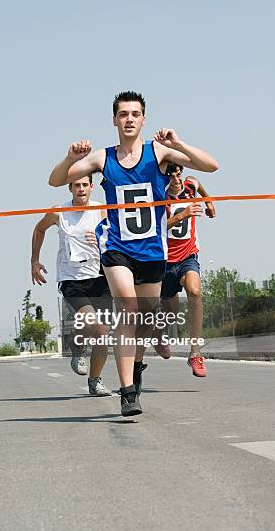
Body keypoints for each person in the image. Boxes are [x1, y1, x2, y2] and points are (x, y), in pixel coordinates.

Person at [49, 91, 218, 416]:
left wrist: (179, 144)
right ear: (115, 120)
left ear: (142, 119)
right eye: (123, 113)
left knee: (142, 317)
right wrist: (70, 158)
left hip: (152, 250)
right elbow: (55, 180)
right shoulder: (103, 158)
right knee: (128, 307)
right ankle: (127, 391)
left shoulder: (158, 153)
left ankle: (135, 372)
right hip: (117, 247)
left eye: (135, 113)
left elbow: (211, 165)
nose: (128, 119)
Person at [31, 175, 112, 396]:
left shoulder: (101, 210)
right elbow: (39, 230)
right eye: (76, 185)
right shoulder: (59, 211)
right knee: (94, 324)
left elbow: (115, 237)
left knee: (102, 333)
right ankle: (77, 347)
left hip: (100, 277)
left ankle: (94, 380)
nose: (81, 189)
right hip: (71, 279)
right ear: (70, 188)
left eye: (85, 185)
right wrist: (34, 261)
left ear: (91, 187)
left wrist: (102, 242)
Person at [154, 163, 216, 377]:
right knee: (171, 313)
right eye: (171, 176)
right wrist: (182, 215)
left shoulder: (191, 185)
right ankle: (158, 334)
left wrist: (209, 204)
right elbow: (154, 227)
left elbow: (201, 188)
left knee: (195, 291)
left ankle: (195, 353)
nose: (177, 180)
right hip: (165, 261)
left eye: (178, 174)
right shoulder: (159, 196)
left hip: (188, 255)